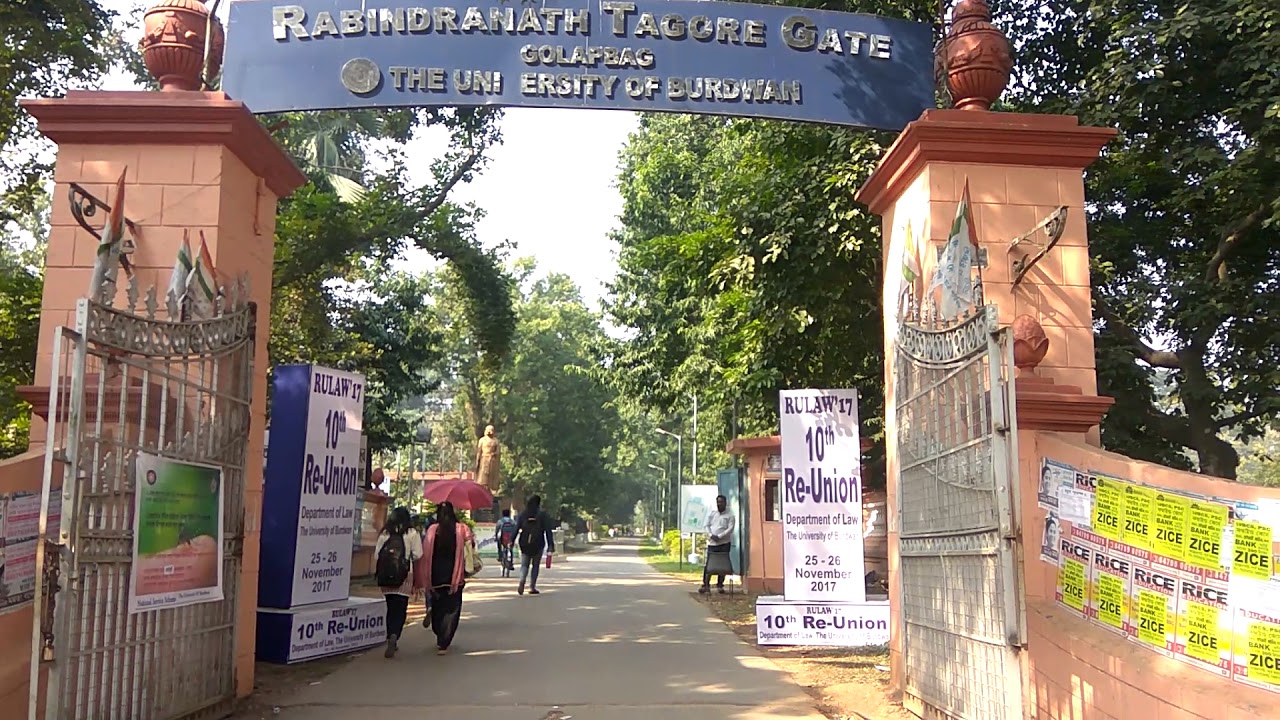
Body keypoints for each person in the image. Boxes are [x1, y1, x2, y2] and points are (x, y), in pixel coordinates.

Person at [421, 501, 472, 655]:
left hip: (435, 575)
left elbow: (424, 550)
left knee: (438, 605)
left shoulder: (432, 530)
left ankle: (438, 630)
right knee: (452, 609)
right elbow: (470, 548)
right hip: (454, 576)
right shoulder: (461, 529)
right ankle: (444, 641)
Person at [374, 507, 423, 658]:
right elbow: (418, 554)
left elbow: (377, 555)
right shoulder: (411, 533)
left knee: (390, 607)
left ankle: (390, 635)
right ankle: (395, 634)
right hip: (404, 575)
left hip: (386, 576)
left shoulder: (385, 532)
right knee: (401, 608)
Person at [515, 494, 555, 596]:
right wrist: (550, 545)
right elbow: (548, 531)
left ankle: (522, 580)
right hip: (538, 543)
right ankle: (532, 586)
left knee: (524, 565)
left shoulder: (523, 514)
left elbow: (516, 528)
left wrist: (511, 540)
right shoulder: (542, 515)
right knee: (535, 565)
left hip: (524, 543)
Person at [700, 495, 736, 595]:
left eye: (721, 502)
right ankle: (705, 585)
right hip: (712, 543)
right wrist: (711, 535)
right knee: (709, 564)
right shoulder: (712, 513)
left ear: (725, 503)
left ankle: (720, 585)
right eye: (718, 502)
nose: (719, 504)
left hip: (724, 543)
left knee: (722, 565)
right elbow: (706, 525)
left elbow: (730, 529)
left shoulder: (730, 515)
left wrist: (719, 536)